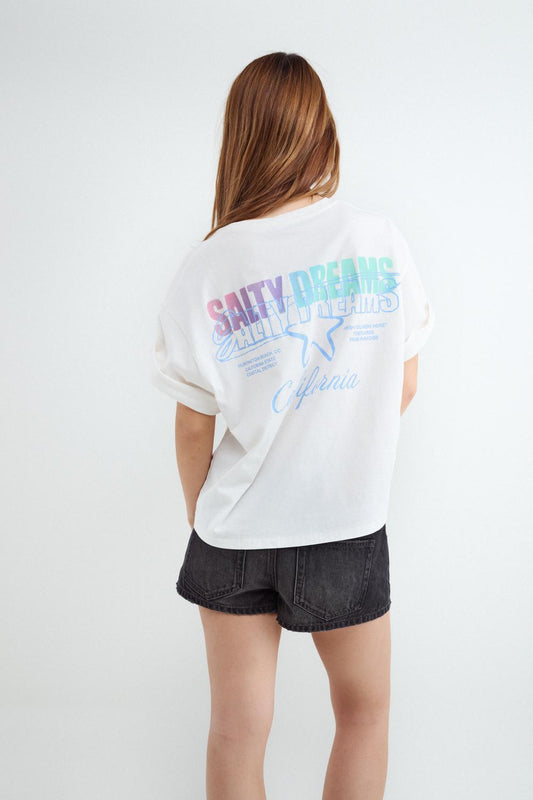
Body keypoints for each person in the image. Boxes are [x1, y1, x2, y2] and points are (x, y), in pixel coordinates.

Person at [152, 51, 435, 800]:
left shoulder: (208, 264)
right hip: (343, 525)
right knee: (363, 715)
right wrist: (337, 440)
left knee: (235, 732)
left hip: (235, 532)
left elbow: (192, 428)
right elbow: (403, 382)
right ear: (322, 132)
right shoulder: (375, 239)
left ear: (240, 137)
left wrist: (204, 518)